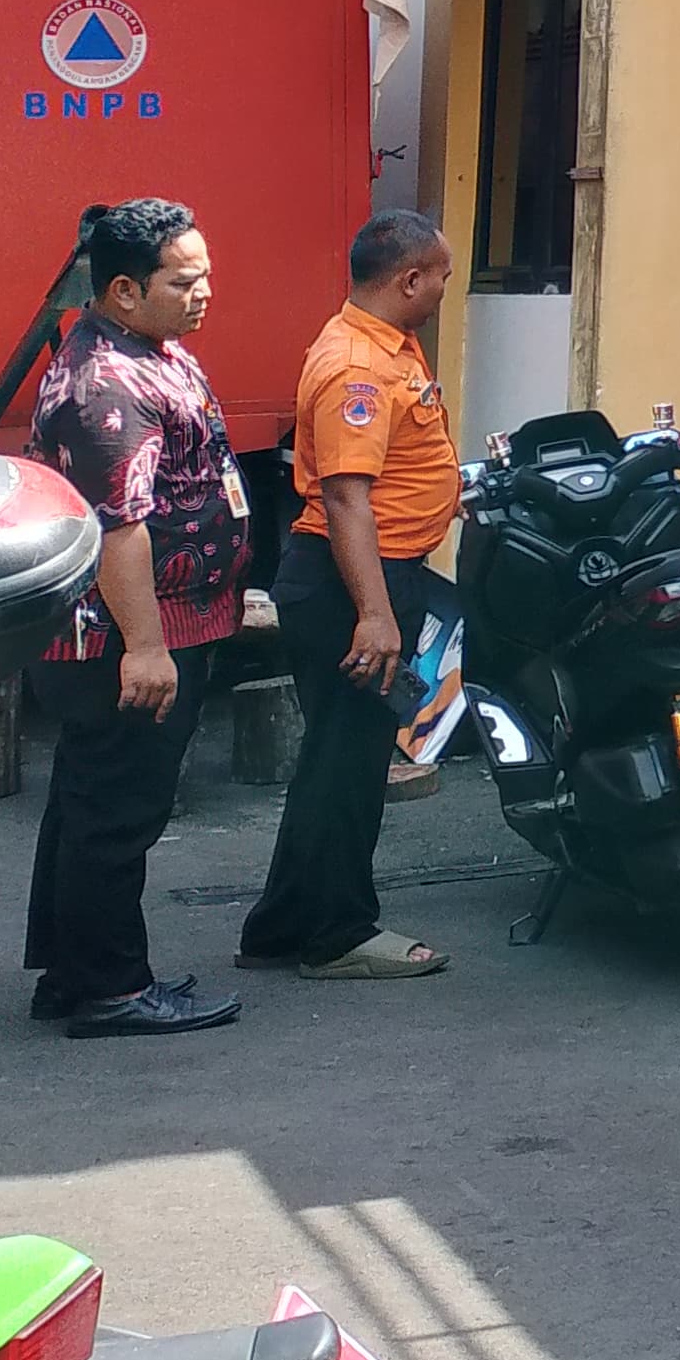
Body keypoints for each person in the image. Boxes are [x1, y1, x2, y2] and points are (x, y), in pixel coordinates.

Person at [22, 198, 252, 1037]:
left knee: (90, 802)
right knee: (120, 810)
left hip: (150, 624)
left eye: (207, 275)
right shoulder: (105, 385)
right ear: (123, 290)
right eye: (184, 281)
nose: (204, 293)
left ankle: (73, 973)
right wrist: (146, 649)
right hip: (125, 634)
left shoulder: (145, 349)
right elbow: (123, 528)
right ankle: (112, 988)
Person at [235, 211, 460, 983]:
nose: (440, 292)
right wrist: (375, 612)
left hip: (364, 573)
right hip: (352, 582)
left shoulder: (386, 346)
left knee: (333, 761)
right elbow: (344, 500)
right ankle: (337, 934)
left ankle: (282, 925)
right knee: (352, 765)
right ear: (408, 279)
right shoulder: (357, 366)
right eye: (438, 278)